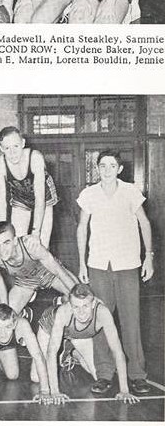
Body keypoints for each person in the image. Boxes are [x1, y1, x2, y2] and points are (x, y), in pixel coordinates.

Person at [76, 149, 154, 396]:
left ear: (120, 169)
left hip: (127, 264)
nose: (107, 170)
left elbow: (145, 223)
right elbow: (82, 228)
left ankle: (137, 375)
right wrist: (81, 264)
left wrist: (148, 257)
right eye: (102, 166)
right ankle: (105, 373)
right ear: (97, 169)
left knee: (131, 320)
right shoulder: (89, 194)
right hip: (98, 264)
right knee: (100, 319)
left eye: (112, 166)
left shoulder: (130, 192)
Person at [36, 283, 139, 404]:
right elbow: (51, 351)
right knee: (36, 377)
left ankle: (72, 353)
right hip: (49, 329)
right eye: (76, 307)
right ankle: (65, 352)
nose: (81, 312)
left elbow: (117, 350)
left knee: (97, 374)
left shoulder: (103, 313)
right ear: (70, 305)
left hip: (79, 336)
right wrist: (54, 392)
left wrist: (124, 390)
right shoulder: (63, 312)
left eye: (85, 306)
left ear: (94, 303)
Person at [0, 304, 51, 407]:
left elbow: (38, 356)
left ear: (14, 324)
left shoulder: (23, 325)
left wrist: (45, 391)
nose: (3, 333)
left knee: (12, 375)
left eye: (8, 327)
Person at [0, 221, 78, 315]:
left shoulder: (30, 247)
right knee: (5, 316)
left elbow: (59, 271)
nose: (1, 250)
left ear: (15, 241)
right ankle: (25, 314)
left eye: (6, 243)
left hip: (49, 274)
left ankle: (60, 301)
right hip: (25, 282)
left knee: (77, 300)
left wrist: (80, 295)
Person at [0, 125, 58, 246]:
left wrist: (35, 232)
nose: (12, 153)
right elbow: (1, 201)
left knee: (42, 244)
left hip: (44, 197)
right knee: (17, 242)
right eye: (7, 148)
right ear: (1, 148)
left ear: (23, 143)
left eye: (16, 146)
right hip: (21, 196)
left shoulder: (35, 158)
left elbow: (40, 199)